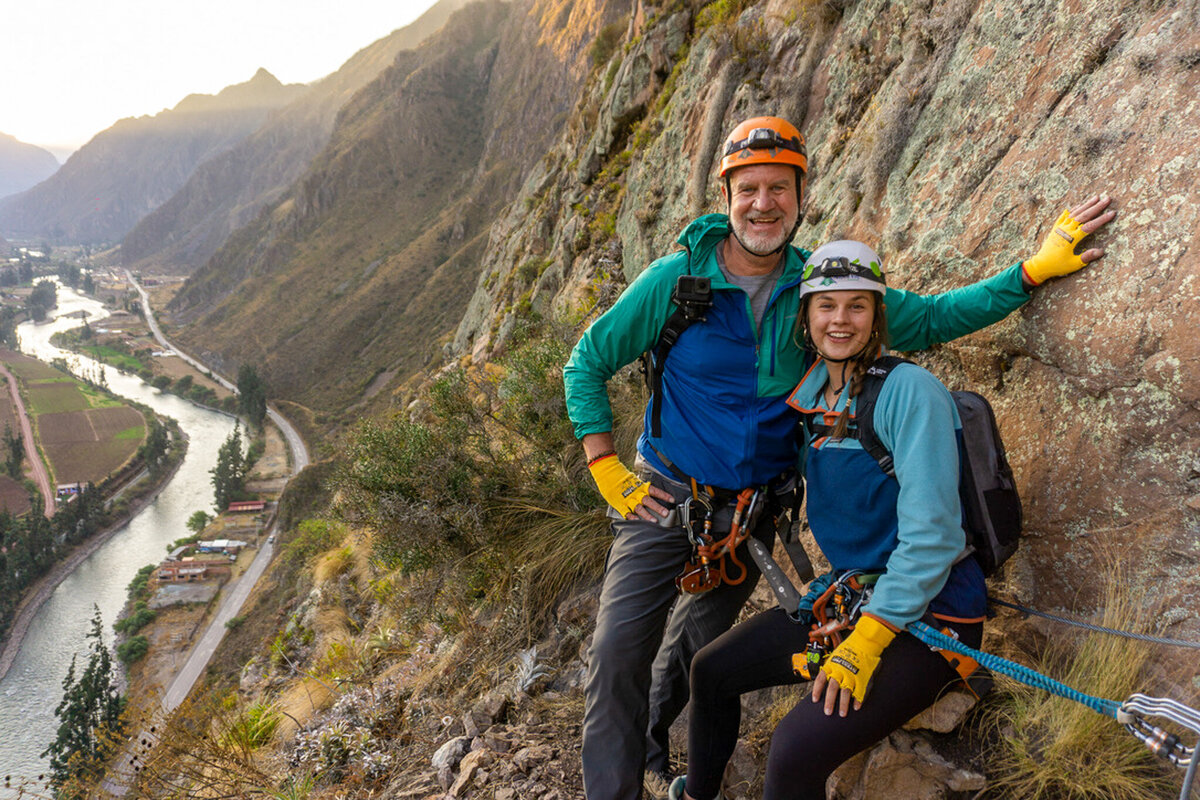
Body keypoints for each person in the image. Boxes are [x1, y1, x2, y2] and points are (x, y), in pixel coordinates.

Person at [562, 115, 1114, 800]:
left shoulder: (823, 289)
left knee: (696, 656)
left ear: (800, 196)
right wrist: (603, 466)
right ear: (726, 195)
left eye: (779, 189)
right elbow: (586, 360)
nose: (763, 204)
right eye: (749, 189)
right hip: (665, 493)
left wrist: (1029, 273)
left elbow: (937, 316)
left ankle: (650, 755)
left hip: (750, 515)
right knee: (618, 652)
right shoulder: (675, 283)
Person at [671, 240, 995, 800]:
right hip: (850, 599)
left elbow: (934, 537)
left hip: (932, 620)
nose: (839, 320)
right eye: (826, 306)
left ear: (877, 316)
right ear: (806, 316)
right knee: (710, 670)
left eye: (857, 306)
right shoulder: (812, 400)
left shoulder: (909, 394)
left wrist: (866, 643)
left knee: (793, 752)